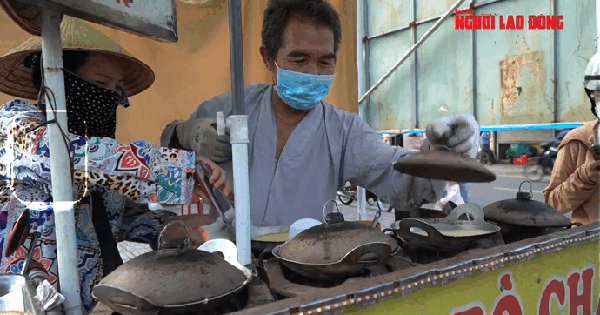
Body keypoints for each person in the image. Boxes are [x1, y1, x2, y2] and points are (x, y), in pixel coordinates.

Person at [161, 0, 480, 227]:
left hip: (303, 269)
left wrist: (443, 152)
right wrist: (183, 133)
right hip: (221, 263)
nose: (313, 72)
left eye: (325, 61)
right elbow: (165, 157)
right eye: (299, 60)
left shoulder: (344, 133)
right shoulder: (230, 107)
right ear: (268, 58)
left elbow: (402, 182)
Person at [0, 17, 231, 313]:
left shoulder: (102, 158)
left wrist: (173, 229)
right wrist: (178, 167)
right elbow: (62, 159)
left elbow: (114, 224)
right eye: (99, 84)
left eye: (116, 89)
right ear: (56, 77)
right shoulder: (16, 125)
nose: (109, 97)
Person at [543, 53, 600, 225]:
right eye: (599, 92)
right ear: (592, 95)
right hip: (589, 243)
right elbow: (552, 203)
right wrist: (585, 177)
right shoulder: (577, 141)